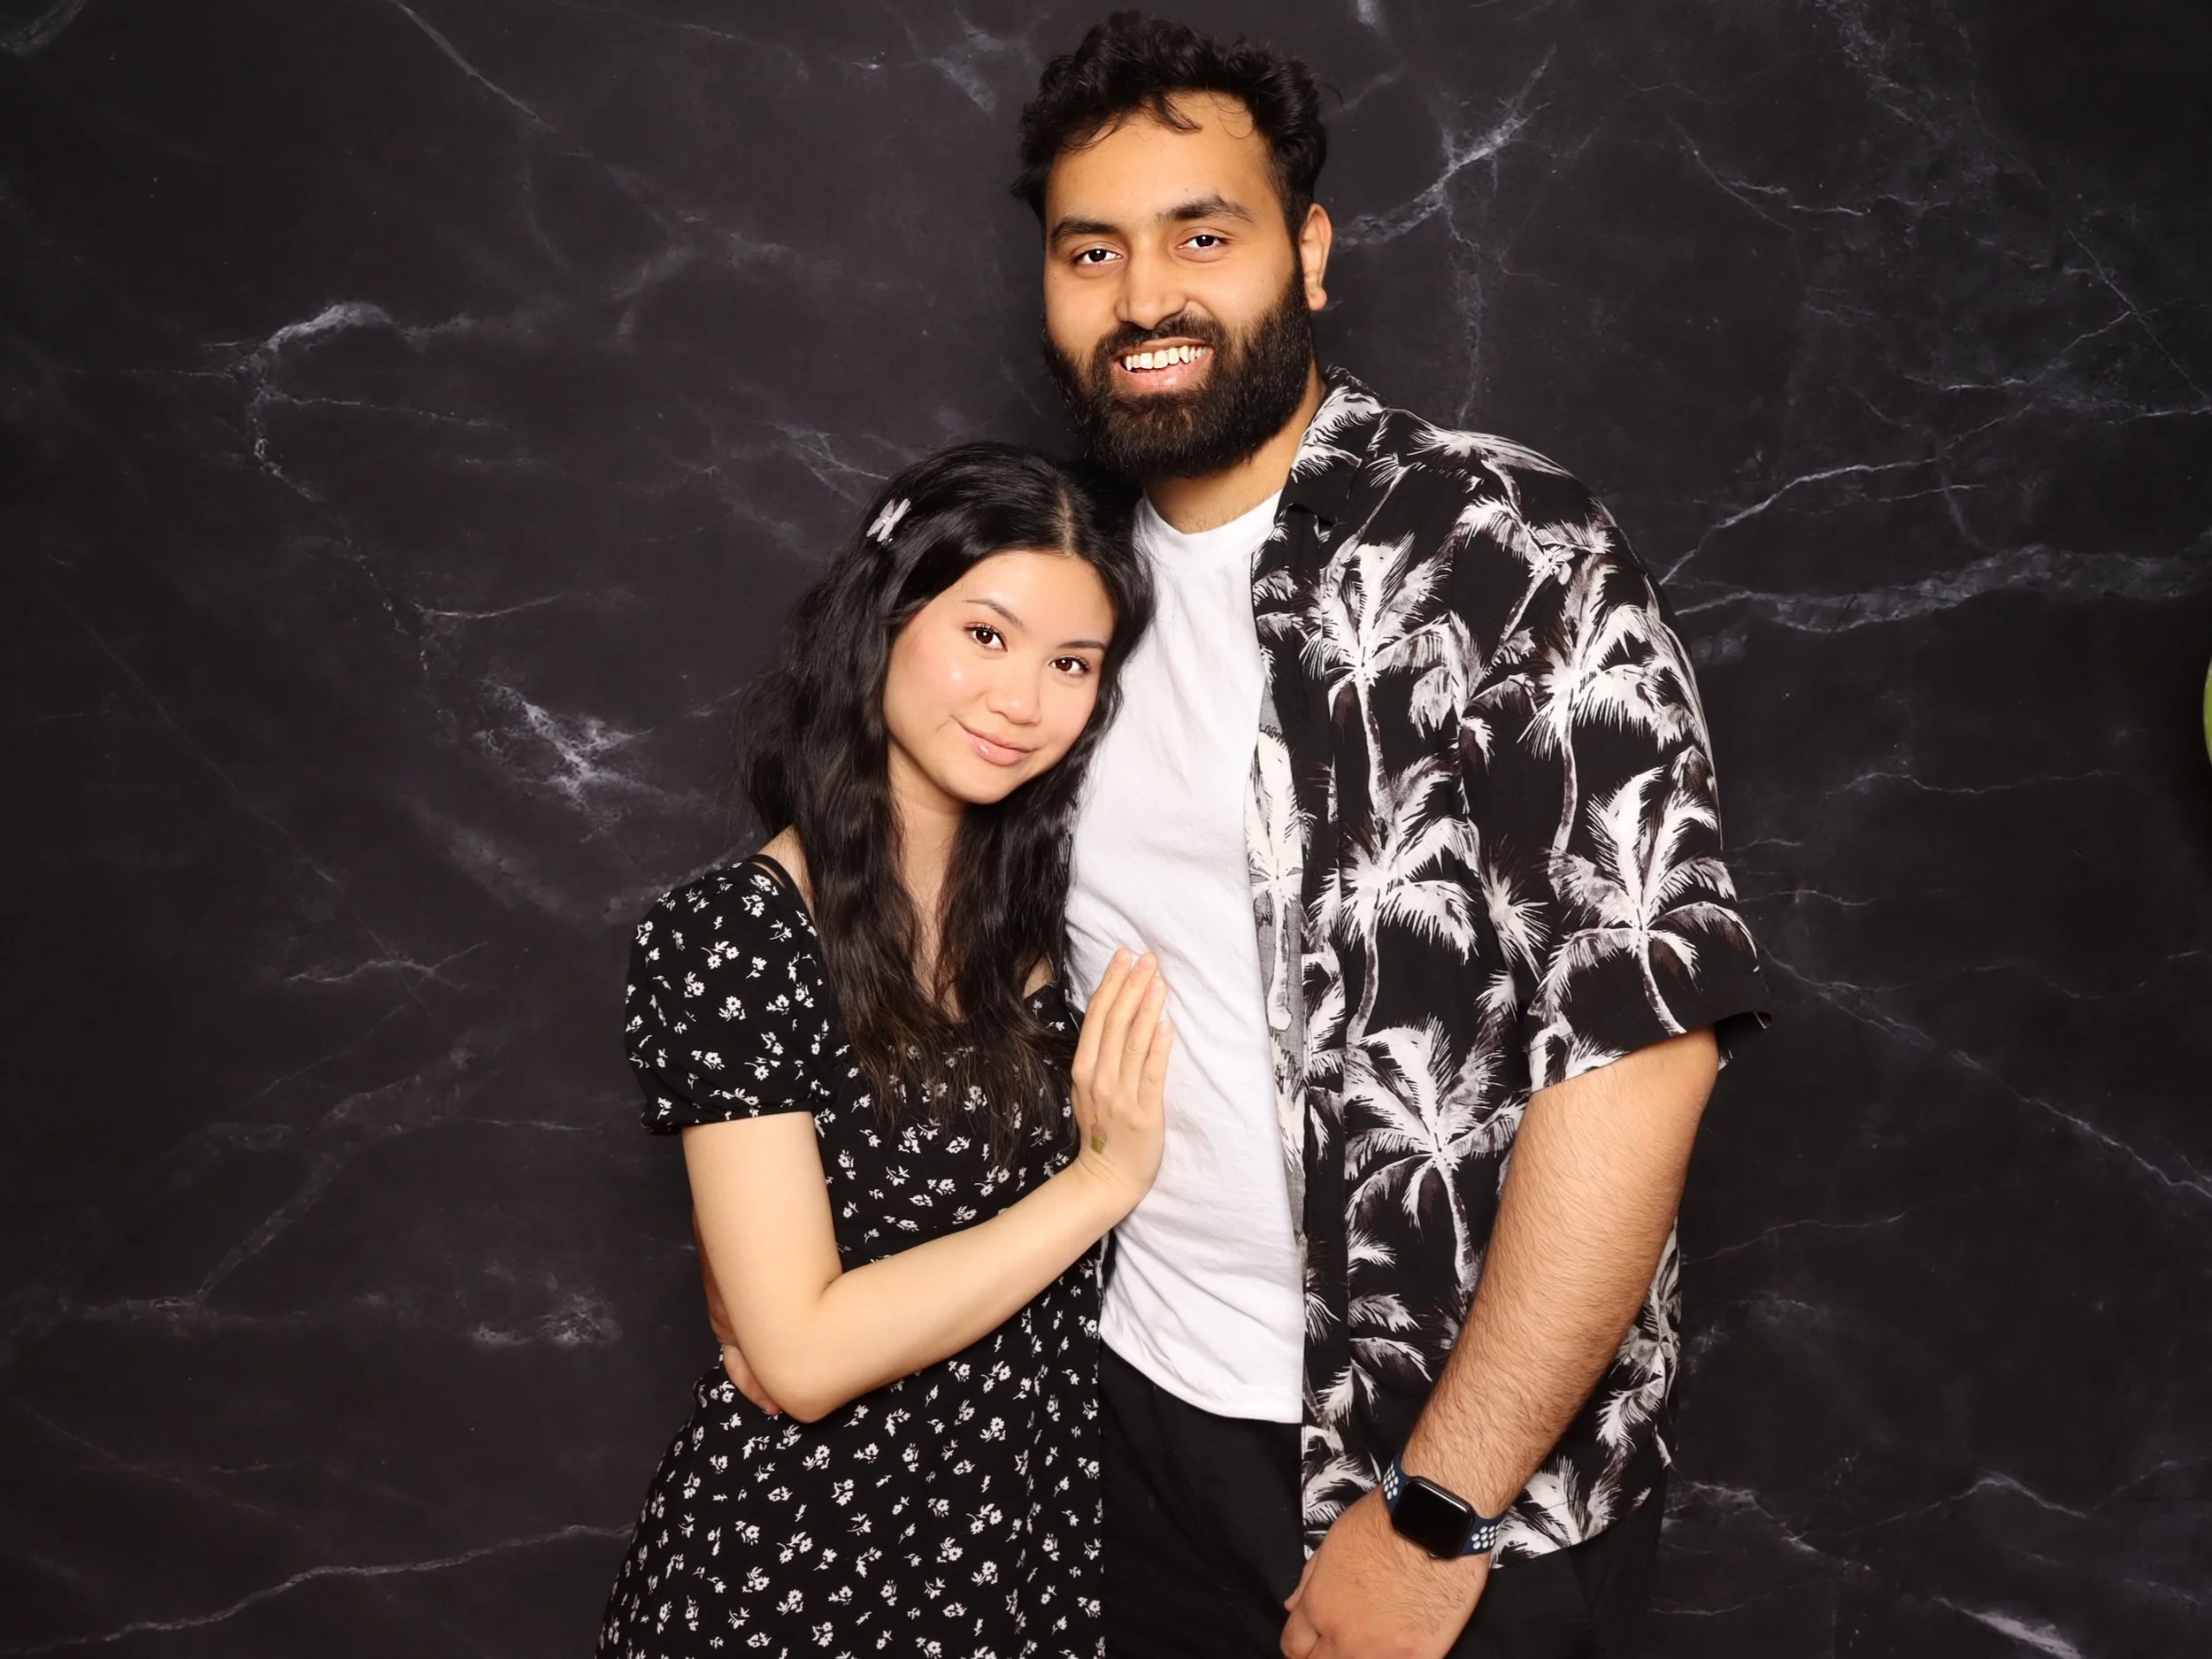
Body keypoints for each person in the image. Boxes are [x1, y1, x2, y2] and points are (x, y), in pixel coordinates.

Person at [1012, 14, 1774, 1658]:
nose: (1145, 298)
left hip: (1453, 1484)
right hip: (1132, 1421)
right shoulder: (1051, 599)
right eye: (1094, 251)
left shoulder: (1511, 552)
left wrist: (1436, 1511)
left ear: (1307, 253)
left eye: (1200, 236)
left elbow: (1642, 1052)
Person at [598, 442, 1164, 1659]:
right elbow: (797, 1354)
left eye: (1073, 662)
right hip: (813, 1571)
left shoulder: (1050, 908)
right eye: (987, 634)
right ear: (886, 615)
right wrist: (1102, 1184)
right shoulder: (735, 936)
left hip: (1021, 1555)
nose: (1024, 699)